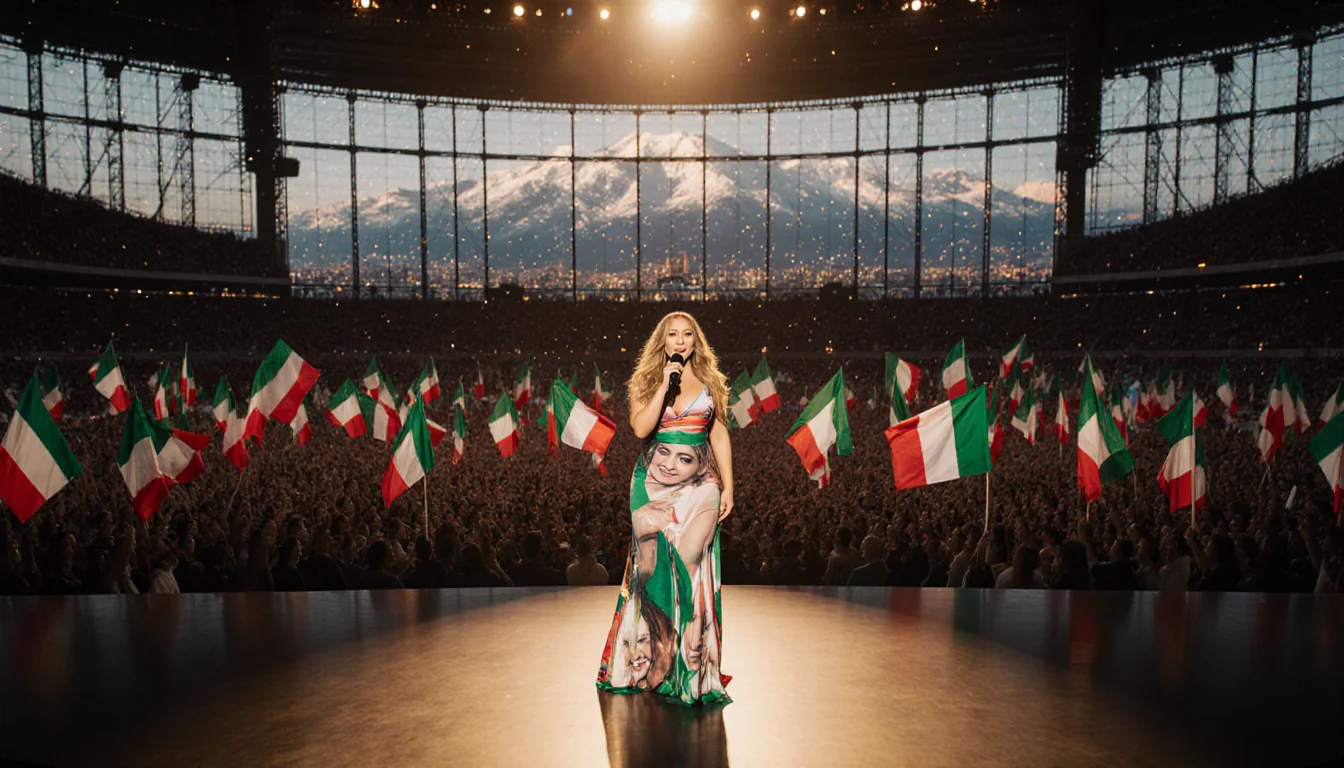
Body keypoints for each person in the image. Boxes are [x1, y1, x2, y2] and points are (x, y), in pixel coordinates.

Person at [596, 311, 733, 707]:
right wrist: (666, 384)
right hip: (653, 483)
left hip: (700, 481)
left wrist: (729, 484)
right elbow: (641, 429)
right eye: (672, 334)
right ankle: (649, 662)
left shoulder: (710, 381)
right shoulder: (647, 381)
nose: (680, 340)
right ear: (663, 340)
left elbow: (719, 432)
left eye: (687, 334)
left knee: (692, 567)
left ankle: (689, 666)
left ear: (695, 341)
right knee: (651, 572)